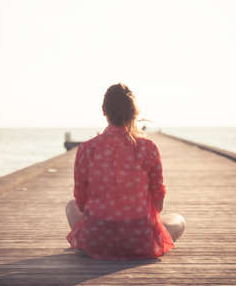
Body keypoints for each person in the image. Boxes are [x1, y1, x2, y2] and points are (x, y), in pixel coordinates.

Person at [66, 83, 185, 260]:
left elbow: (81, 204)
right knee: (178, 220)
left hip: (97, 241)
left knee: (70, 206)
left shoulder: (86, 149)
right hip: (140, 242)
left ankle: (95, 241)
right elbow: (158, 205)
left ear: (104, 111)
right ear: (134, 112)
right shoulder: (148, 148)